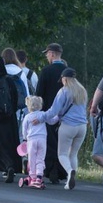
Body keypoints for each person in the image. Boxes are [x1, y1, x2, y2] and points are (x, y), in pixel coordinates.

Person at [32, 67, 88, 190]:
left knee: (62, 154)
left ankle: (70, 171)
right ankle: (70, 180)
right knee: (73, 154)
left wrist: (41, 118)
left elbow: (53, 111)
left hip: (68, 126)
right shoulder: (82, 91)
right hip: (82, 126)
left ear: (65, 79)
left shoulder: (64, 91)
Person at [35, 42, 67, 184]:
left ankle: (50, 168)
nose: (47, 56)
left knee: (50, 142)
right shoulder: (68, 71)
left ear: (52, 54)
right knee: (63, 143)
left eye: (47, 53)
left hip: (49, 112)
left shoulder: (46, 71)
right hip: (65, 114)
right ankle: (62, 170)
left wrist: (38, 113)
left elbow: (39, 94)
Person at [21, 95, 47, 188]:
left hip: (31, 140)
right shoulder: (43, 114)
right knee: (40, 158)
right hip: (42, 139)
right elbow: (52, 119)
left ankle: (32, 177)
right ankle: (39, 176)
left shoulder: (27, 117)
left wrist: (24, 139)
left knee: (32, 159)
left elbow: (24, 129)